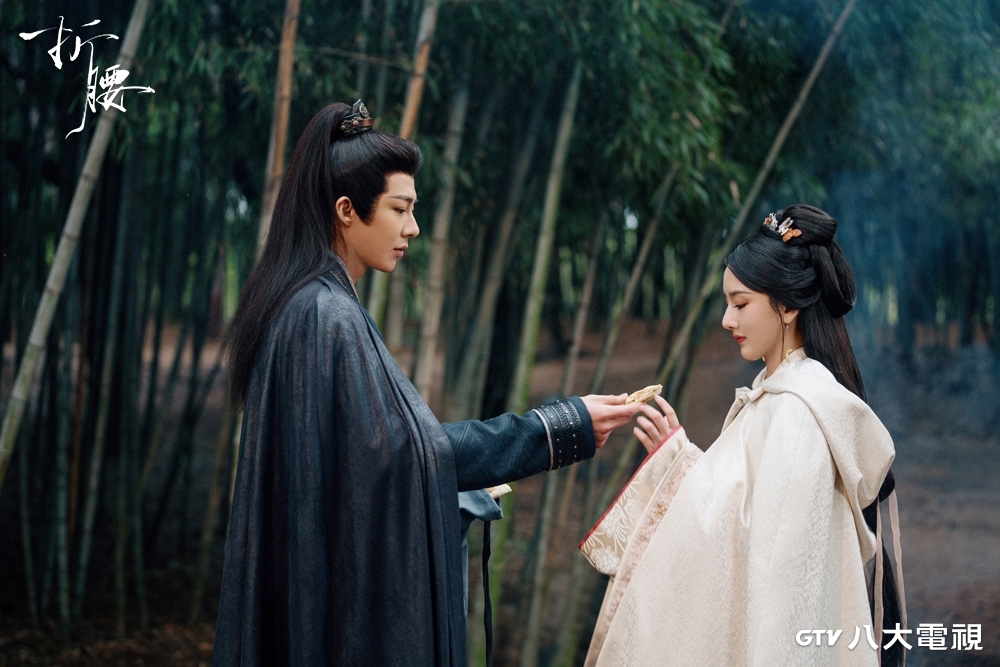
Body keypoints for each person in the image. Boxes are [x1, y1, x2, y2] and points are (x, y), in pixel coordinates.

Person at [212, 100, 642, 667]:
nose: (413, 228)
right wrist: (560, 427)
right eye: (400, 209)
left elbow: (368, 469)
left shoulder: (308, 303)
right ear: (346, 210)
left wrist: (454, 490)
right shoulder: (325, 315)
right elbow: (403, 456)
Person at [580, 205, 905, 666]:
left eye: (740, 303)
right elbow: (751, 518)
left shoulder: (799, 414)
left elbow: (781, 577)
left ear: (788, 306)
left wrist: (679, 476)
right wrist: (680, 464)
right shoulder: (778, 397)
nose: (726, 320)